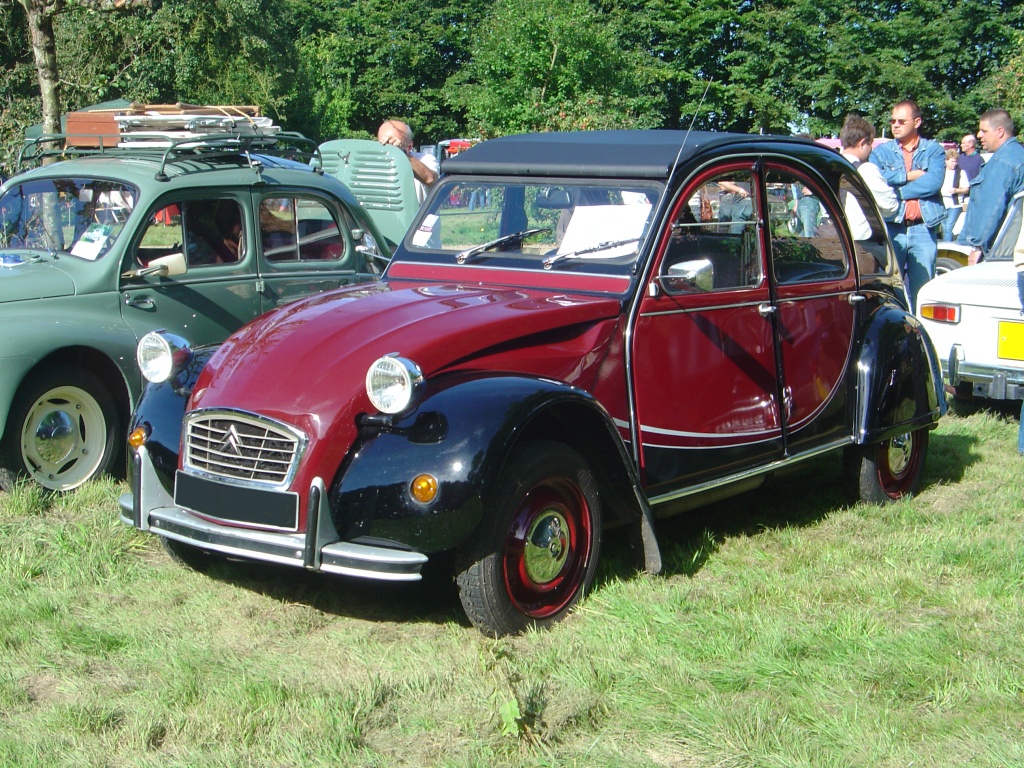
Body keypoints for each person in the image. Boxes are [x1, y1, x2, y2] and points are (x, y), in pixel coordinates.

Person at [870, 100, 945, 312]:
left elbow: (933, 183)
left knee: (924, 292)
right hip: (893, 227)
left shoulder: (933, 150)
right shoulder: (881, 152)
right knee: (890, 290)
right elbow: (878, 181)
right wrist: (909, 176)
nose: (895, 125)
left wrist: (896, 192)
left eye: (901, 121)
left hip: (923, 227)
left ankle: (922, 337)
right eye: (892, 121)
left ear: (917, 122)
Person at [957, 109, 1024, 265]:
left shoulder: (1003, 162)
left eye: (984, 131)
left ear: (1000, 131)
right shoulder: (1017, 154)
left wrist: (978, 246)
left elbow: (992, 209)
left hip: (999, 253)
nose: (979, 135)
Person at [838, 114, 898, 240]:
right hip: (861, 244)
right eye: (870, 144)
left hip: (830, 237)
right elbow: (890, 205)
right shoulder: (865, 170)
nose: (871, 149)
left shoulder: (828, 166)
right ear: (863, 143)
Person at [377, 119, 439, 204]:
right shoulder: (370, 164)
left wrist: (401, 153)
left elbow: (430, 179)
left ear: (409, 147)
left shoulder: (425, 159)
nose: (388, 150)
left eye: (393, 145)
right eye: (383, 144)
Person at [940, 149, 970, 240]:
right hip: (942, 203)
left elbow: (966, 189)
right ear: (946, 161)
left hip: (955, 204)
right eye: (952, 161)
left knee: (949, 227)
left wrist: (956, 190)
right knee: (944, 227)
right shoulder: (941, 172)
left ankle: (947, 247)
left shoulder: (961, 172)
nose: (954, 163)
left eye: (956, 161)